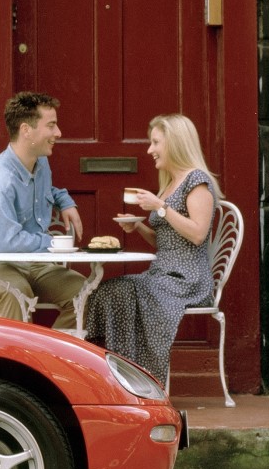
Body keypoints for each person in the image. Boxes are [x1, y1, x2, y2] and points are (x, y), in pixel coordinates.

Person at [85, 113, 219, 383]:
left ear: (175, 143)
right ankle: (121, 371)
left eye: (155, 142)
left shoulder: (197, 181)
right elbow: (167, 241)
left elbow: (197, 234)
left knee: (119, 290)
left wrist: (160, 207)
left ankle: (136, 377)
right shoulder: (170, 184)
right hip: (162, 276)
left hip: (187, 279)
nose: (150, 150)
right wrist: (139, 228)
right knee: (110, 289)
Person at [0, 92, 85, 331]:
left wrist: (64, 200)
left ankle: (51, 356)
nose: (58, 133)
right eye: (51, 126)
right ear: (26, 130)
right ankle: (17, 365)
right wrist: (54, 244)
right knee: (16, 293)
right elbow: (7, 242)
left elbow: (46, 190)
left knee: (86, 294)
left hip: (34, 263)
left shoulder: (39, 161)